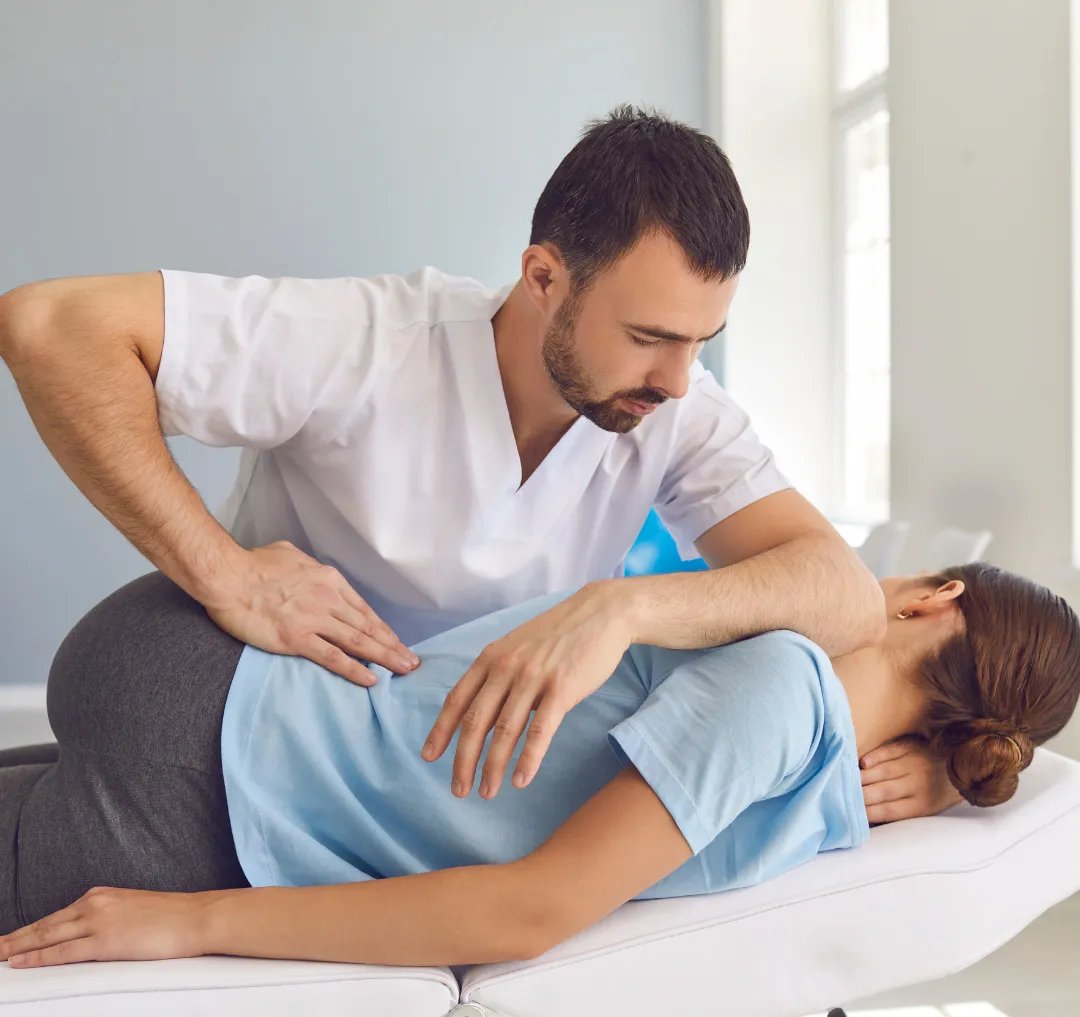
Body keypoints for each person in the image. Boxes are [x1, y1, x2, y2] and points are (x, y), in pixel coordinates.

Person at [0, 105, 952, 823]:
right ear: (544, 278)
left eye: (704, 341)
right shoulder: (371, 338)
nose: (678, 377)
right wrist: (226, 575)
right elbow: (51, 328)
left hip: (447, 791)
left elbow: (840, 591)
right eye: (650, 336)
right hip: (253, 736)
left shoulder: (674, 404)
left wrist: (619, 607)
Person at [0, 561, 1076, 970]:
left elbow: (526, 911)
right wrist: (945, 773)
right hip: (217, 747)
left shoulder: (785, 692)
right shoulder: (816, 750)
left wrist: (188, 923)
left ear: (935, 595)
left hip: (217, 767)